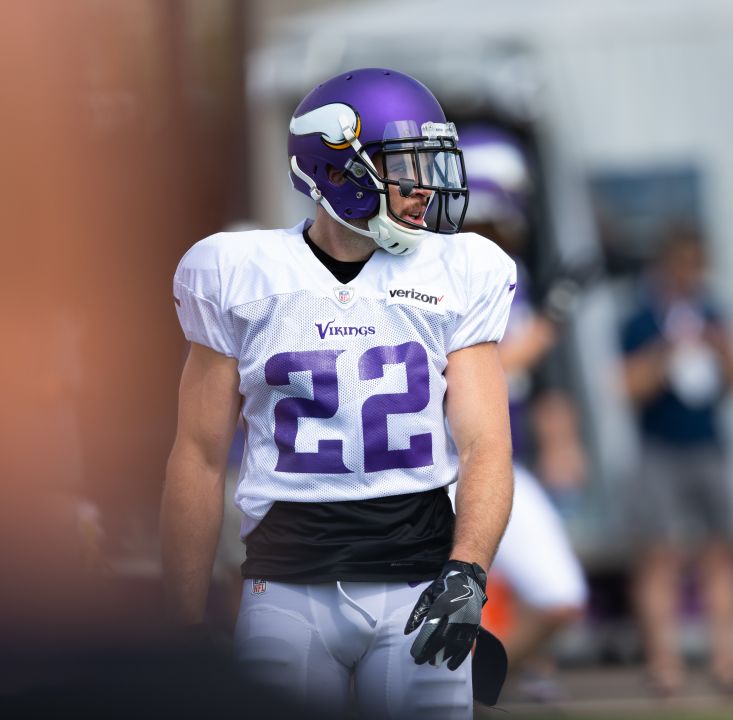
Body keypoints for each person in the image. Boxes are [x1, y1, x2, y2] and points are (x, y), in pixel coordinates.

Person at [161, 68, 516, 719]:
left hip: (420, 581)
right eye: (406, 166)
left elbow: (486, 442)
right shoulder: (239, 274)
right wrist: (181, 622)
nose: (425, 188)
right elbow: (199, 454)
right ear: (339, 168)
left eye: (431, 163)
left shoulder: (461, 270)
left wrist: (468, 570)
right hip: (286, 587)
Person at [455, 124, 588, 698]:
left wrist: (560, 438)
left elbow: (532, 380)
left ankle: (471, 690)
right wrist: (549, 327)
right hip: (434, 468)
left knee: (561, 597)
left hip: (499, 460)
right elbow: (470, 376)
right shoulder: (436, 275)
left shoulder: (509, 272)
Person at [620, 227, 733, 695]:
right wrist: (666, 352)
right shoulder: (640, 322)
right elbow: (627, 389)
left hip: (708, 446)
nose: (689, 276)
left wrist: (720, 347)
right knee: (659, 559)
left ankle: (728, 662)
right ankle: (664, 665)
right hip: (660, 449)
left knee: (721, 556)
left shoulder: (715, 315)